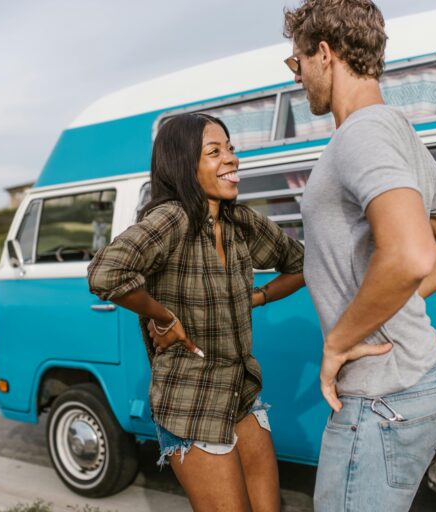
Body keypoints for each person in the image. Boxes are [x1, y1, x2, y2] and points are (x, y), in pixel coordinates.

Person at [282, 1, 436, 511]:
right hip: (415, 381)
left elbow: (413, 253)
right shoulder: (396, 130)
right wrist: (387, 306)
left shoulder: (363, 134)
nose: (297, 76)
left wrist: (340, 343)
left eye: (296, 62)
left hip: (382, 395)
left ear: (323, 53)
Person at [87, 113, 305, 512]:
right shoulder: (171, 218)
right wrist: (163, 317)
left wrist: (255, 298)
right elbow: (105, 273)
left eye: (232, 149)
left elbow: (302, 264)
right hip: (191, 404)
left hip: (242, 393)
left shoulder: (239, 220)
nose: (232, 159)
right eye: (215, 152)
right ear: (185, 165)